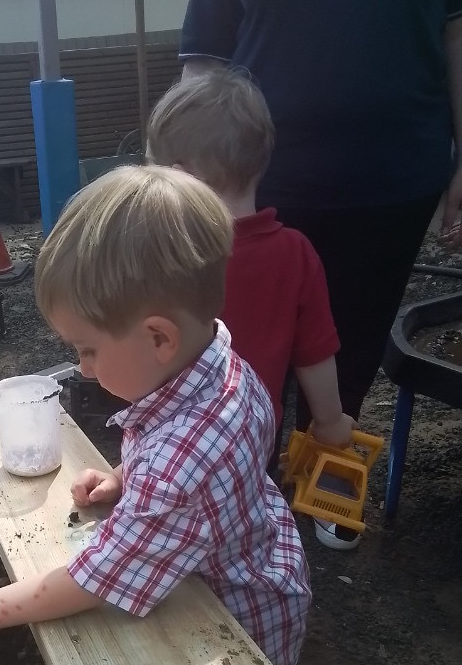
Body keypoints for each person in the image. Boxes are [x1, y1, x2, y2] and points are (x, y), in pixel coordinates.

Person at [0, 166, 311, 665]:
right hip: (262, 552)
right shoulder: (220, 361)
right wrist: (124, 479)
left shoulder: (176, 474)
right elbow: (192, 465)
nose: (82, 368)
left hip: (234, 634)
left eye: (87, 350)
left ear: (159, 339)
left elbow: (96, 579)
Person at [179, 0, 462, 425]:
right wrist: (187, 178)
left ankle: (320, 477)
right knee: (241, 363)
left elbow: (456, 32)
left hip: (394, 187)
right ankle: (243, 480)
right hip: (254, 187)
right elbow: (206, 59)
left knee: (348, 364)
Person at [146, 67, 353, 459]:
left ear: (178, 175)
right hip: (253, 440)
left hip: (166, 440)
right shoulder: (294, 253)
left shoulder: (162, 252)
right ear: (260, 164)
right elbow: (315, 354)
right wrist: (329, 423)